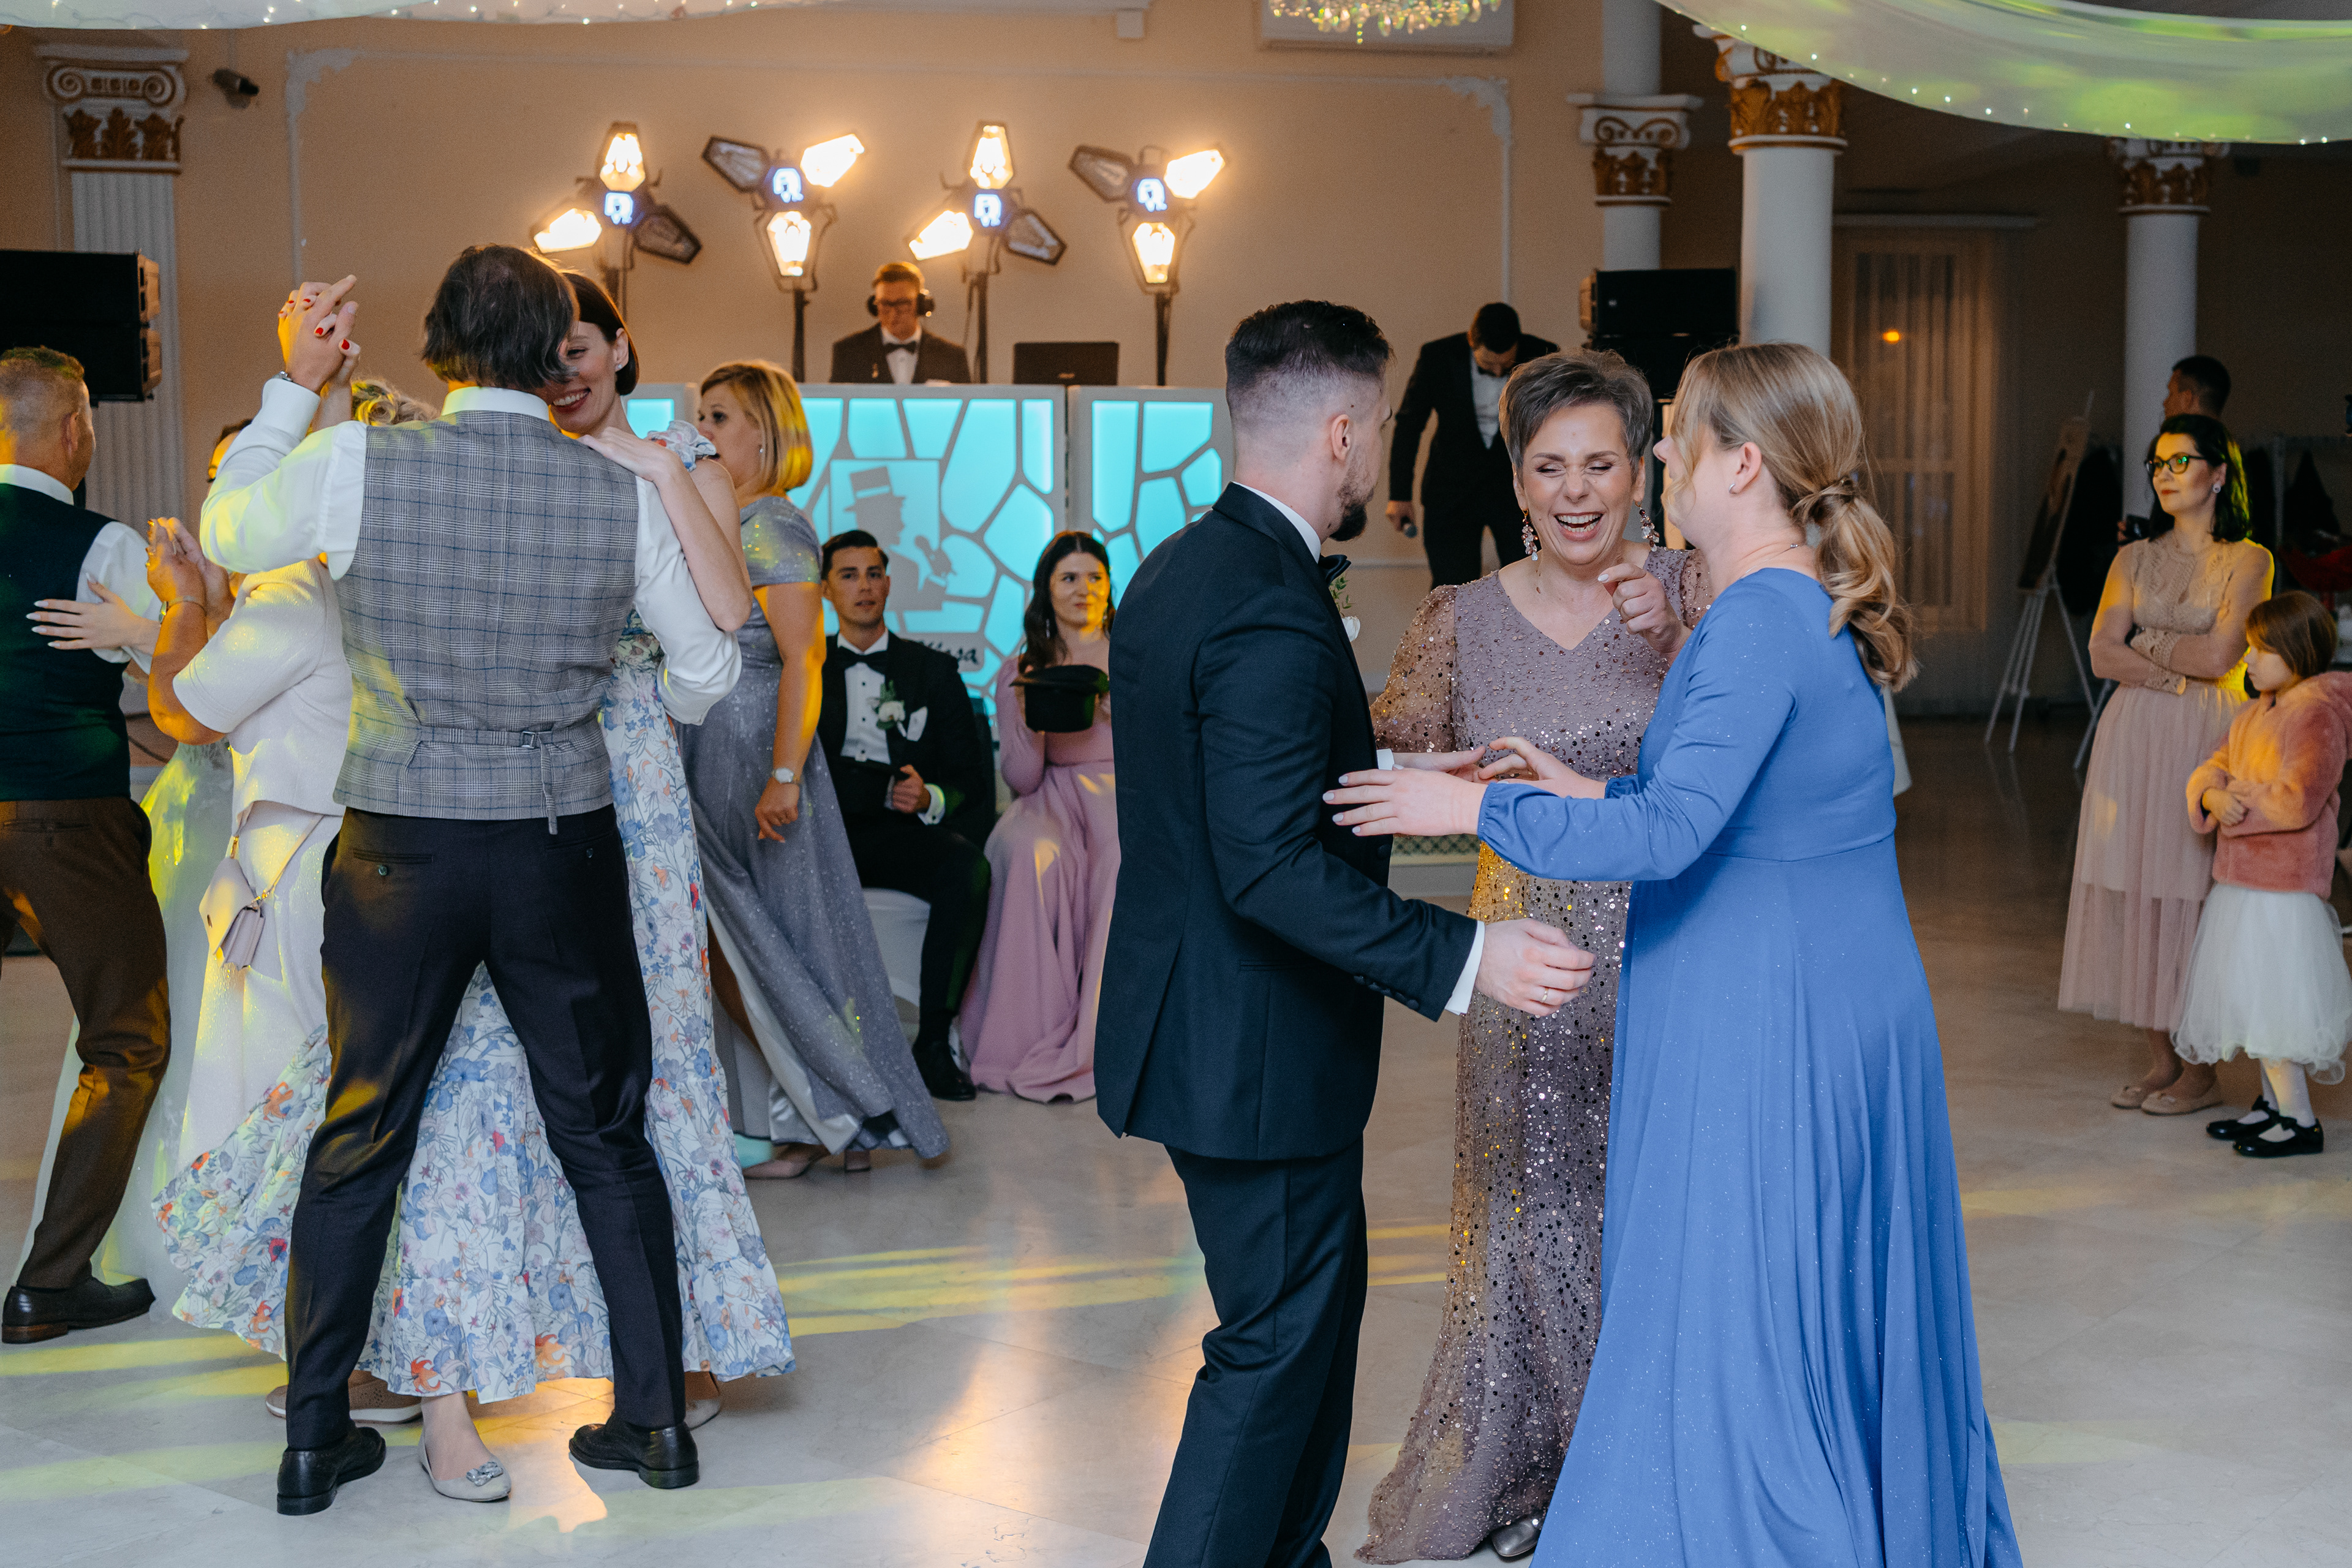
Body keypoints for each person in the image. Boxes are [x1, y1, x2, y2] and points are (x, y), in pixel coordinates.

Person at [1329, 341, 2019, 1567]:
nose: (1658, 463)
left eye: (1676, 437)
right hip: (1809, 992)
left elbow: (1673, 831)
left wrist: (1473, 806)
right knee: (1785, 1294)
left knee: (1737, 1296)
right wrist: (1575, 783)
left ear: (1740, 464)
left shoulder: (1753, 619)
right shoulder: (1785, 603)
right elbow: (1735, 809)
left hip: (1768, 1011)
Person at [164, 276, 793, 1492]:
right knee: (603, 1133)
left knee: (362, 1130)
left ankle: (313, 1439)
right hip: (560, 843)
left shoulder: (360, 460)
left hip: (400, 845)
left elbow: (231, 530)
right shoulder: (613, 487)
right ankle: (654, 1424)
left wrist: (297, 381)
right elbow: (708, 674)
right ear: (549, 351)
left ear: (440, 344)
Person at [1098, 299, 1594, 1568]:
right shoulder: (1269, 602)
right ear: (1340, 431)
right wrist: (1468, 956)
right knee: (1273, 1345)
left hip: (1218, 1028)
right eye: (1374, 428)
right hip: (1253, 1045)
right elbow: (1266, 864)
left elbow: (1236, 783)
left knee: (1311, 1327)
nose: (1376, 453)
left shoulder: (1181, 566)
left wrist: (1400, 770)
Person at [1357, 349, 1703, 1566]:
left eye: (1600, 464)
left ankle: (1647, 1476)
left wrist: (1685, 634)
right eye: (1549, 467)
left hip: (1674, 949)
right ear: (1514, 479)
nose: (1575, 492)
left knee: (1656, 1213)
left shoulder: (1699, 591)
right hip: (1526, 955)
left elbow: (1763, 756)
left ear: (1642, 472)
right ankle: (1535, 1470)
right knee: (1528, 1218)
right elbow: (1391, 764)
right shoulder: (1460, 617)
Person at [680, 358, 948, 1176]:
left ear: (764, 432)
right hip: (721, 744)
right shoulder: (731, 518)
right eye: (700, 414)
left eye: (718, 416)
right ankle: (822, 1120)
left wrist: (785, 775)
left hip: (754, 748)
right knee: (755, 941)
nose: (700, 430)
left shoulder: (771, 524)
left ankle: (834, 1112)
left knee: (767, 942)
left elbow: (805, 658)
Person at [1, 345, 172, 1346]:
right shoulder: (98, 543)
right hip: (65, 813)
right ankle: (51, 1283)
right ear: (74, 430)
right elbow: (185, 675)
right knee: (126, 1039)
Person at [2063, 413, 2271, 1117]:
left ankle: (2201, 1066)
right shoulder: (2132, 559)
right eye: (2158, 463)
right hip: (2133, 733)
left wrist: (2146, 643)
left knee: (2191, 887)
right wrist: (2174, 668)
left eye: (2180, 461)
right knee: (2136, 884)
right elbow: (2101, 652)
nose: (2164, 474)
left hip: (2207, 734)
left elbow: (2223, 656)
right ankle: (2162, 1059)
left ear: (2219, 473)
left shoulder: (2249, 560)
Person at [816, 530, 994, 1100]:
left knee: (967, 869)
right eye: (849, 575)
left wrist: (932, 797)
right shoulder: (806, 668)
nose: (864, 586)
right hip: (827, 834)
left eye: (874, 574)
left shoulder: (933, 670)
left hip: (901, 834)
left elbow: (971, 781)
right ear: (825, 590)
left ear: (889, 584)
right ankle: (821, 1051)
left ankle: (934, 1042)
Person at [2177, 590, 2351, 1158]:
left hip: (2283, 892)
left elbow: (2298, 799)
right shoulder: (2252, 714)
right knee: (2252, 997)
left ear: (2296, 651)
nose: (2247, 660)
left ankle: (2300, 1121)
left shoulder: (2317, 714)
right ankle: (2274, 1105)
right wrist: (2210, 793)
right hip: (2243, 886)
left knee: (2277, 1003)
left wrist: (2237, 800)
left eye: (2260, 649)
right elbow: (2213, 765)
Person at [962, 532, 1120, 1104]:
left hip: (1122, 793)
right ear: (1046, 590)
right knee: (1030, 853)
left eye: (1094, 577)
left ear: (1109, 585)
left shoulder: (1138, 656)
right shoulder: (1023, 667)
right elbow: (1022, 779)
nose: (1083, 589)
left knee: (1123, 858)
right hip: (1048, 795)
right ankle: (1022, 1037)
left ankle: (1103, 1036)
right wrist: (1030, 718)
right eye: (1068, 578)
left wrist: (1118, 712)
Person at [1386, 303, 1561, 587]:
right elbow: (1409, 424)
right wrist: (1399, 494)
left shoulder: (1543, 355)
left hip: (1517, 492)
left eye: (1506, 366)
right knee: (1452, 587)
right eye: (1488, 366)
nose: (1498, 371)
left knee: (1534, 582)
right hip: (1451, 488)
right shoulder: (1437, 356)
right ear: (1471, 340)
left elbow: (1559, 427)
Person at [2119, 354, 2231, 543]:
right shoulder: (2229, 451)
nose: (2165, 403)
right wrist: (2151, 538)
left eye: (2180, 461)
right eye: (2158, 464)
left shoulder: (2220, 457)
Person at [829, 262, 971, 385]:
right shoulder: (849, 352)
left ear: (921, 305)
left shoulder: (952, 356)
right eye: (885, 304)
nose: (893, 313)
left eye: (902, 303)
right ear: (874, 306)